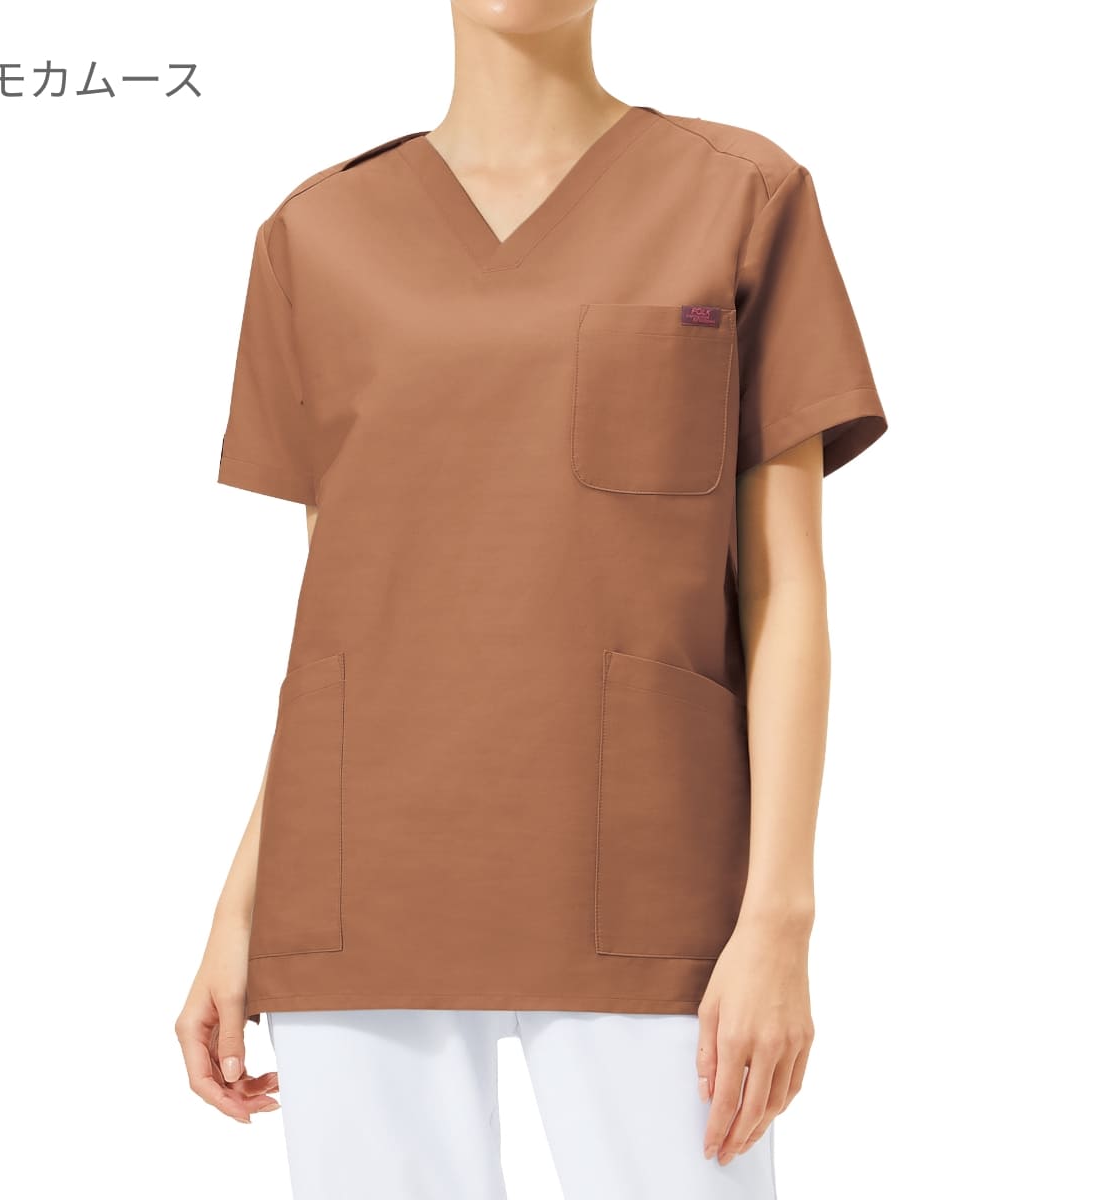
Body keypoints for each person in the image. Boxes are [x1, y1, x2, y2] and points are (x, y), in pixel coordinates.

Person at [174, 2, 888, 1195]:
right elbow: (345, 622)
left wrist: (781, 919)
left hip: (652, 879)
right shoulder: (316, 235)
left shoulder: (742, 197)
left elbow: (788, 596)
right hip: (357, 884)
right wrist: (240, 908)